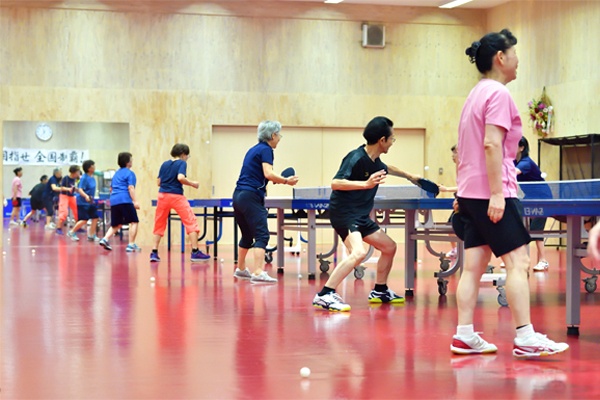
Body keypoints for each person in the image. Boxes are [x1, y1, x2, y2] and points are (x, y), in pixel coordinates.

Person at [450, 29, 568, 358]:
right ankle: (525, 337)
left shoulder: (475, 93)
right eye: (514, 54)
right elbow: (491, 144)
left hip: (470, 192)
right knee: (519, 261)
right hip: (491, 192)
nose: (518, 60)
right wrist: (497, 194)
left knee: (474, 264)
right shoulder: (498, 94)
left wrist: (465, 191)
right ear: (500, 58)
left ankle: (464, 334)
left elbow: (465, 148)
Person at [312, 116, 421, 311]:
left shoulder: (375, 161)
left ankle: (380, 290)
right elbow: (336, 183)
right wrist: (366, 184)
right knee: (359, 252)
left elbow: (387, 168)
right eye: (392, 139)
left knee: (389, 247)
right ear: (382, 140)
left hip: (360, 216)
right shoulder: (355, 157)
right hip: (345, 214)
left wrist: (410, 176)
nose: (392, 142)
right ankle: (325, 294)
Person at [232, 120, 299, 283]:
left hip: (238, 195)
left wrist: (275, 179)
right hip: (251, 196)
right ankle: (258, 272)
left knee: (247, 235)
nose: (280, 139)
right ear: (273, 135)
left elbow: (261, 175)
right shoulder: (266, 149)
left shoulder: (253, 149)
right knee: (262, 235)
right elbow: (268, 173)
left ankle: (241, 269)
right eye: (279, 135)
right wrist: (286, 181)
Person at [151, 143, 210, 262]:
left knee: (159, 223)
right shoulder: (182, 163)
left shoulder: (164, 164)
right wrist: (193, 184)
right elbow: (180, 178)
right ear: (183, 154)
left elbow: (158, 182)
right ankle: (195, 252)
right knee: (190, 221)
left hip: (162, 196)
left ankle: (154, 252)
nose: (187, 158)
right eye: (187, 156)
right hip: (176, 196)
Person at [515, 136, 553, 272]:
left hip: (543, 198)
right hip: (530, 197)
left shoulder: (526, 163)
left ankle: (543, 260)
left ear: (521, 148)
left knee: (536, 229)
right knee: (520, 226)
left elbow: (512, 173)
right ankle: (518, 258)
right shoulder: (514, 161)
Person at [99, 152, 141, 252]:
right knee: (134, 222)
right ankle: (131, 244)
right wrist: (135, 201)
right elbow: (130, 187)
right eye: (131, 159)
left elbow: (111, 189)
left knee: (117, 224)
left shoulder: (116, 174)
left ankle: (105, 239)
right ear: (128, 162)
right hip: (125, 199)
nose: (132, 161)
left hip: (114, 200)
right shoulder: (130, 173)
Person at [66, 160, 100, 242]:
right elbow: (80, 189)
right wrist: (86, 196)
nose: (94, 167)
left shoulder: (92, 177)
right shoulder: (84, 178)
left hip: (90, 201)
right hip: (82, 202)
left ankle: (91, 235)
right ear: (89, 168)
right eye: (93, 166)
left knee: (95, 217)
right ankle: (71, 232)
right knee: (84, 219)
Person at [439, 144, 459, 258]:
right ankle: (455, 249)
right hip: (460, 202)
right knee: (450, 226)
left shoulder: (468, 168)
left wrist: (446, 189)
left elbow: (465, 187)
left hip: (471, 204)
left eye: (455, 152)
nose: (453, 155)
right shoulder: (459, 168)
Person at [55, 165, 80, 235]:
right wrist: (68, 189)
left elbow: (74, 187)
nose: (78, 173)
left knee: (77, 211)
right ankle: (58, 228)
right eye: (77, 171)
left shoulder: (75, 179)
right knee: (64, 212)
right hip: (64, 196)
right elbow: (61, 187)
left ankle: (78, 227)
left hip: (71, 196)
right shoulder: (66, 178)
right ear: (74, 172)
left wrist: (76, 189)